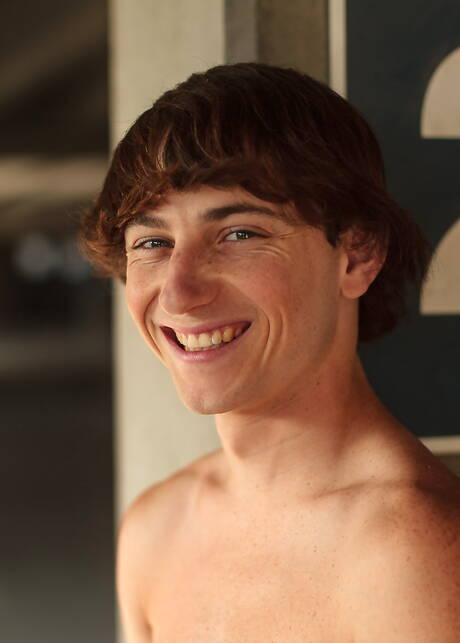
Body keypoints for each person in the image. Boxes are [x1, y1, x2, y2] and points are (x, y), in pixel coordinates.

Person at [81, 63, 460, 642]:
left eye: (239, 234)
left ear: (357, 255)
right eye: (153, 242)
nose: (179, 294)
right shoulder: (155, 528)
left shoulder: (412, 551)